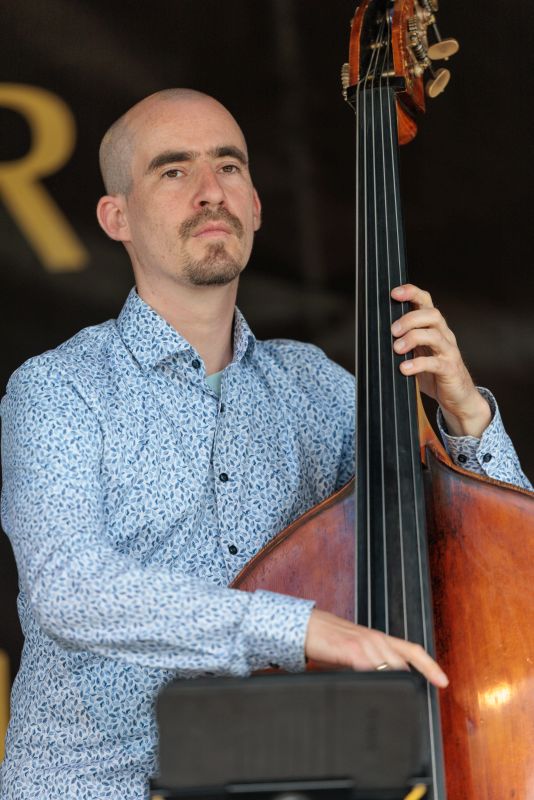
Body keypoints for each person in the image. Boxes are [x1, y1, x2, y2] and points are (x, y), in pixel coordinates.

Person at [0, 89, 530, 800]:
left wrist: (465, 415)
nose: (210, 191)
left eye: (229, 166)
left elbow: (495, 564)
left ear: (254, 205)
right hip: (99, 785)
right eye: (173, 171)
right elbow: (69, 589)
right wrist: (300, 629)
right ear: (115, 217)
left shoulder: (318, 388)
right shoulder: (58, 388)